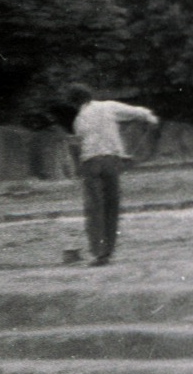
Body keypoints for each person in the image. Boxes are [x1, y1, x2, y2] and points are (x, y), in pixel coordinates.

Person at [66, 84, 158, 267]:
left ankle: (99, 253)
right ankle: (108, 251)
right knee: (111, 205)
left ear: (75, 103)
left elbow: (80, 144)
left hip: (91, 162)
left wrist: (77, 168)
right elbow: (136, 112)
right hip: (111, 161)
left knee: (95, 207)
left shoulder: (79, 119)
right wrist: (150, 117)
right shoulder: (108, 106)